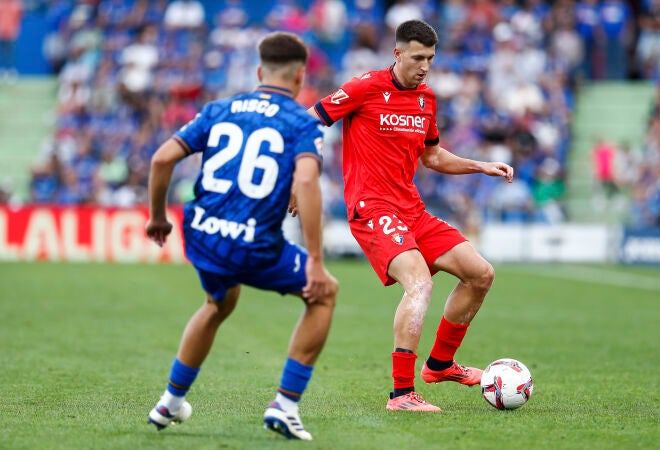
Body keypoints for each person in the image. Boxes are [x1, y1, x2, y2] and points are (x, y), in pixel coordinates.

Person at [309, 19, 513, 412]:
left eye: (431, 58)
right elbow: (308, 120)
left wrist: (481, 165)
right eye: (417, 57)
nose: (424, 66)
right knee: (419, 284)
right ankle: (401, 394)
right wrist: (301, 174)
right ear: (397, 53)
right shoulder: (364, 86)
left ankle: (439, 365)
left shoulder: (426, 99)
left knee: (480, 273)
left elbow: (432, 155)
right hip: (371, 208)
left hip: (412, 209)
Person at [145, 31, 338, 440]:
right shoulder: (300, 121)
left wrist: (158, 218)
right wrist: (316, 261)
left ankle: (170, 402)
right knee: (324, 293)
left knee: (218, 302)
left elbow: (162, 157)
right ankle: (285, 405)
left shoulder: (219, 109)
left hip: (203, 237)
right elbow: (307, 180)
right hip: (255, 245)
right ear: (301, 76)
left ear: (258, 71)